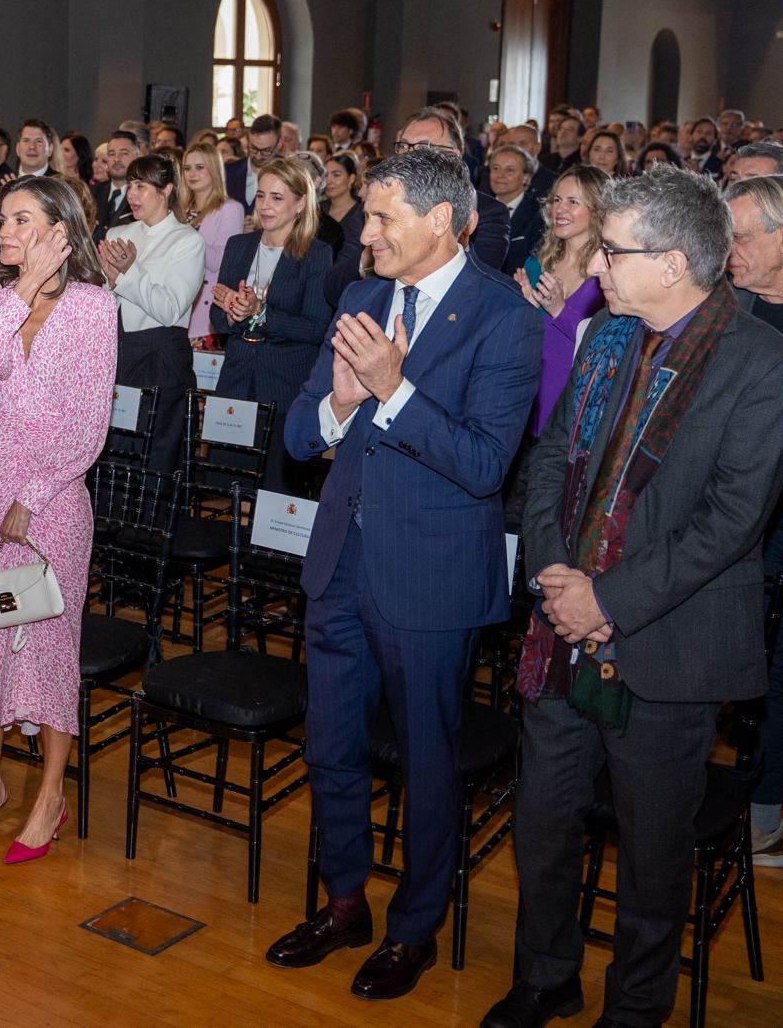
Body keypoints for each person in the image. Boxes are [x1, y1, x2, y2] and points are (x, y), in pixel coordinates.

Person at [484, 168, 783, 1028]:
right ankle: (546, 978)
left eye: (611, 251)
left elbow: (730, 522)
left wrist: (605, 599)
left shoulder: (759, 362)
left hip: (666, 642)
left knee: (652, 857)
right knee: (543, 824)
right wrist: (557, 580)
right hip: (562, 626)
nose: (594, 266)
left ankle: (635, 1009)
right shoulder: (608, 336)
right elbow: (548, 461)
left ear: (674, 263)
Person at [270, 150, 542, 1001]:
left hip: (429, 578)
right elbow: (297, 435)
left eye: (384, 217)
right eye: (368, 216)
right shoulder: (359, 297)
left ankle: (413, 929)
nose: (368, 232)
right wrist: (340, 403)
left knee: (426, 763)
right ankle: (343, 901)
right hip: (340, 566)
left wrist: (392, 390)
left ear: (440, 221)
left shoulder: (503, 317)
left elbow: (485, 464)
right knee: (331, 749)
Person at [0, 175, 116, 862]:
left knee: (48, 645)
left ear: (60, 229)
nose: (6, 230)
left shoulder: (93, 306)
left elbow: (89, 422)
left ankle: (49, 795)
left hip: (54, 499)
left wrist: (36, 494)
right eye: (3, 218)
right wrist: (23, 287)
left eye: (23, 219)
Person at [211, 156, 334, 490]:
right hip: (237, 378)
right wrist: (232, 312)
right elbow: (217, 316)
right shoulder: (239, 245)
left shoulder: (316, 254)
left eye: (277, 197)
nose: (264, 206)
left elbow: (316, 328)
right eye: (261, 195)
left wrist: (259, 312)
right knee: (226, 484)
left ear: (300, 204)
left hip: (283, 383)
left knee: (273, 489)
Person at [724, 175, 783, 870]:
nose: (728, 251)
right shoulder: (729, 308)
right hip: (735, 522)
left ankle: (764, 810)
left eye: (740, 237)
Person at [98, 153, 205, 474]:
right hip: (118, 351)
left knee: (155, 453)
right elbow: (102, 299)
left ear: (166, 190)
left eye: (141, 186)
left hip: (161, 354)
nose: (132, 195)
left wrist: (127, 273)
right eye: (130, 185)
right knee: (114, 451)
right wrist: (108, 283)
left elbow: (170, 309)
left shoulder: (187, 240)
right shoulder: (118, 233)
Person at [514, 166, 608, 439]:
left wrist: (559, 310)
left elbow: (606, 344)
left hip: (572, 406)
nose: (560, 209)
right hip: (524, 398)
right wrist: (524, 311)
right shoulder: (536, 265)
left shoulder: (607, 273)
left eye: (573, 201)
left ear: (597, 209)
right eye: (556, 200)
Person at [393, 107, 511, 274]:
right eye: (404, 146)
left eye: (423, 147)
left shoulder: (489, 213)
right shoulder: (378, 205)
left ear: (452, 157)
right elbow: (353, 270)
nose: (409, 156)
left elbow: (479, 275)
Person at [180, 144, 245, 349]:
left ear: (214, 169)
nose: (192, 174)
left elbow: (220, 261)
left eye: (200, 167)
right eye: (187, 168)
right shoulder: (179, 210)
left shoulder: (230, 208)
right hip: (176, 307)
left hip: (205, 311)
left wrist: (184, 233)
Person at [487, 144, 545, 274]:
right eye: (496, 168)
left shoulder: (538, 215)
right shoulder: (478, 207)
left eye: (510, 170)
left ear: (525, 177)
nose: (500, 175)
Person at [90, 129, 142, 235]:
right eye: (111, 154)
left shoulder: (142, 197)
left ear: (138, 157)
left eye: (124, 153)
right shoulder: (92, 193)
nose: (116, 159)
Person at [320, 151, 367, 261]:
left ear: (351, 179)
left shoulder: (361, 212)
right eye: (325, 175)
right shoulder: (318, 209)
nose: (328, 181)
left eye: (336, 175)